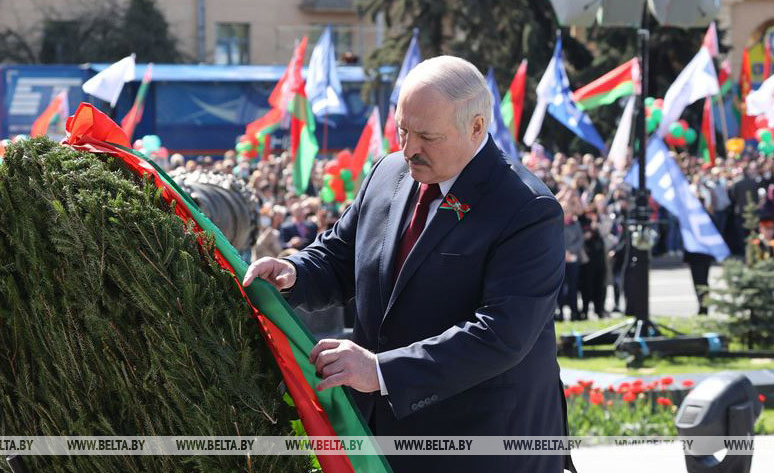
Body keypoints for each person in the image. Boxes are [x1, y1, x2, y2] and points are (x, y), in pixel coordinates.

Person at [243, 56, 572, 473]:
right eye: (402, 129)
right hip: (383, 439)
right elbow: (341, 255)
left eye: (427, 136)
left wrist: (381, 371)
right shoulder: (388, 171)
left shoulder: (526, 208)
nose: (409, 148)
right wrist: (294, 273)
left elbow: (502, 335)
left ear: (476, 128)